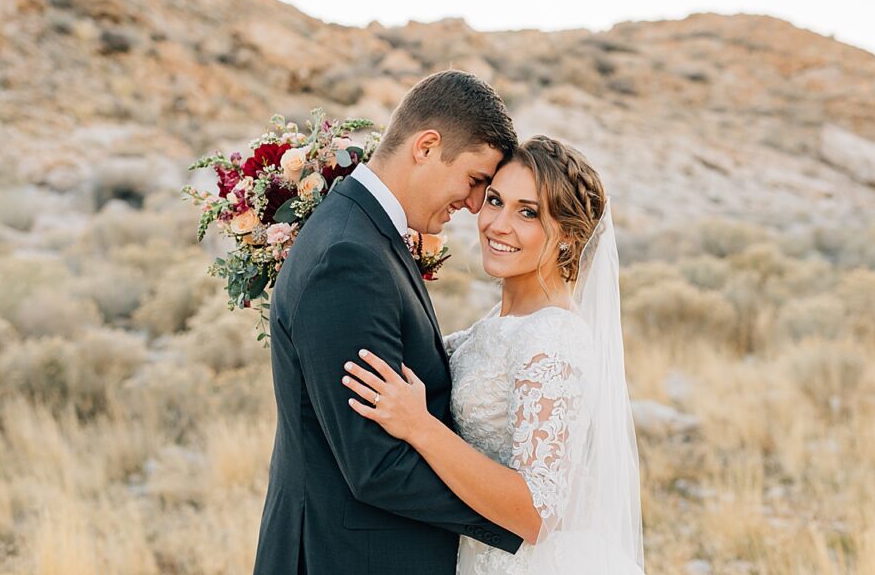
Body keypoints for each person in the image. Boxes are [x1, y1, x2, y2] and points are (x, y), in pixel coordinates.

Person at [253, 70, 522, 575]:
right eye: (474, 180)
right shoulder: (348, 257)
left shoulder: (364, 231)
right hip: (349, 557)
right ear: (426, 146)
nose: (471, 205)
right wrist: (519, 514)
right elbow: (374, 465)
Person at [342, 136, 645, 574]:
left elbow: (536, 514)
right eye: (495, 201)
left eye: (528, 213)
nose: (498, 224)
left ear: (568, 238)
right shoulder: (504, 322)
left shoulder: (553, 338)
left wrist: (419, 426)